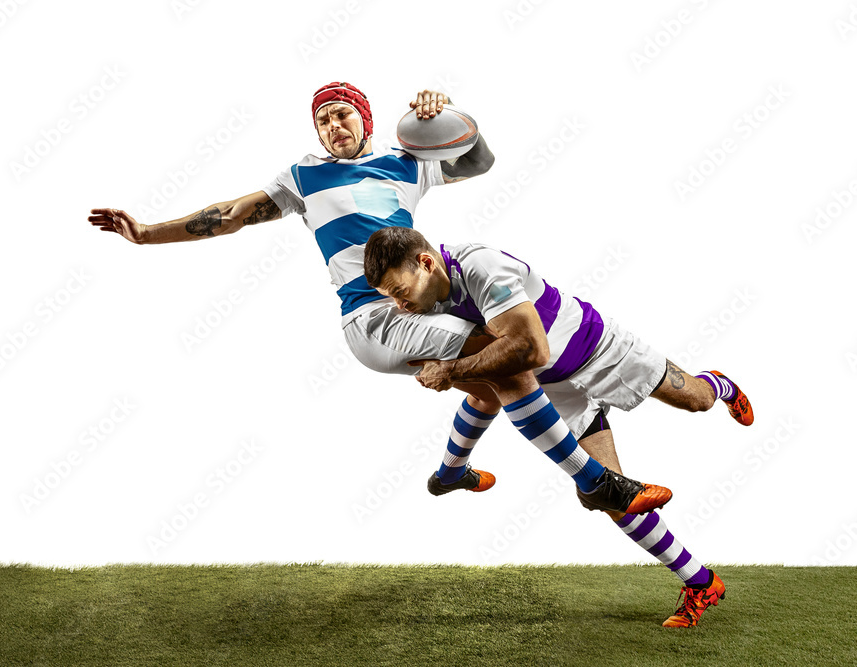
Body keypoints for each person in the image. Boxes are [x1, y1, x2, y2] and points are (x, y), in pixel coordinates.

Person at [88, 82, 669, 515]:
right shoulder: (301, 176)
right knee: (513, 360)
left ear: (363, 118)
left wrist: (446, 115)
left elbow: (479, 159)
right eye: (321, 121)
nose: (331, 126)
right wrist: (146, 234)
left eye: (340, 115)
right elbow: (230, 217)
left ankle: (450, 473)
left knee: (490, 383)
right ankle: (595, 480)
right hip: (374, 319)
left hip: (418, 308)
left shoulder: (404, 165)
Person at [363, 226, 757, 629]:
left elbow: (533, 348)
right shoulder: (423, 303)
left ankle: (719, 383)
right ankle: (701, 582)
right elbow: (488, 389)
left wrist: (451, 371)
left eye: (400, 292)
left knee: (697, 401)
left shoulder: (481, 266)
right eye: (390, 297)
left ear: (426, 264)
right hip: (554, 389)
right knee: (613, 495)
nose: (399, 306)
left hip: (600, 350)